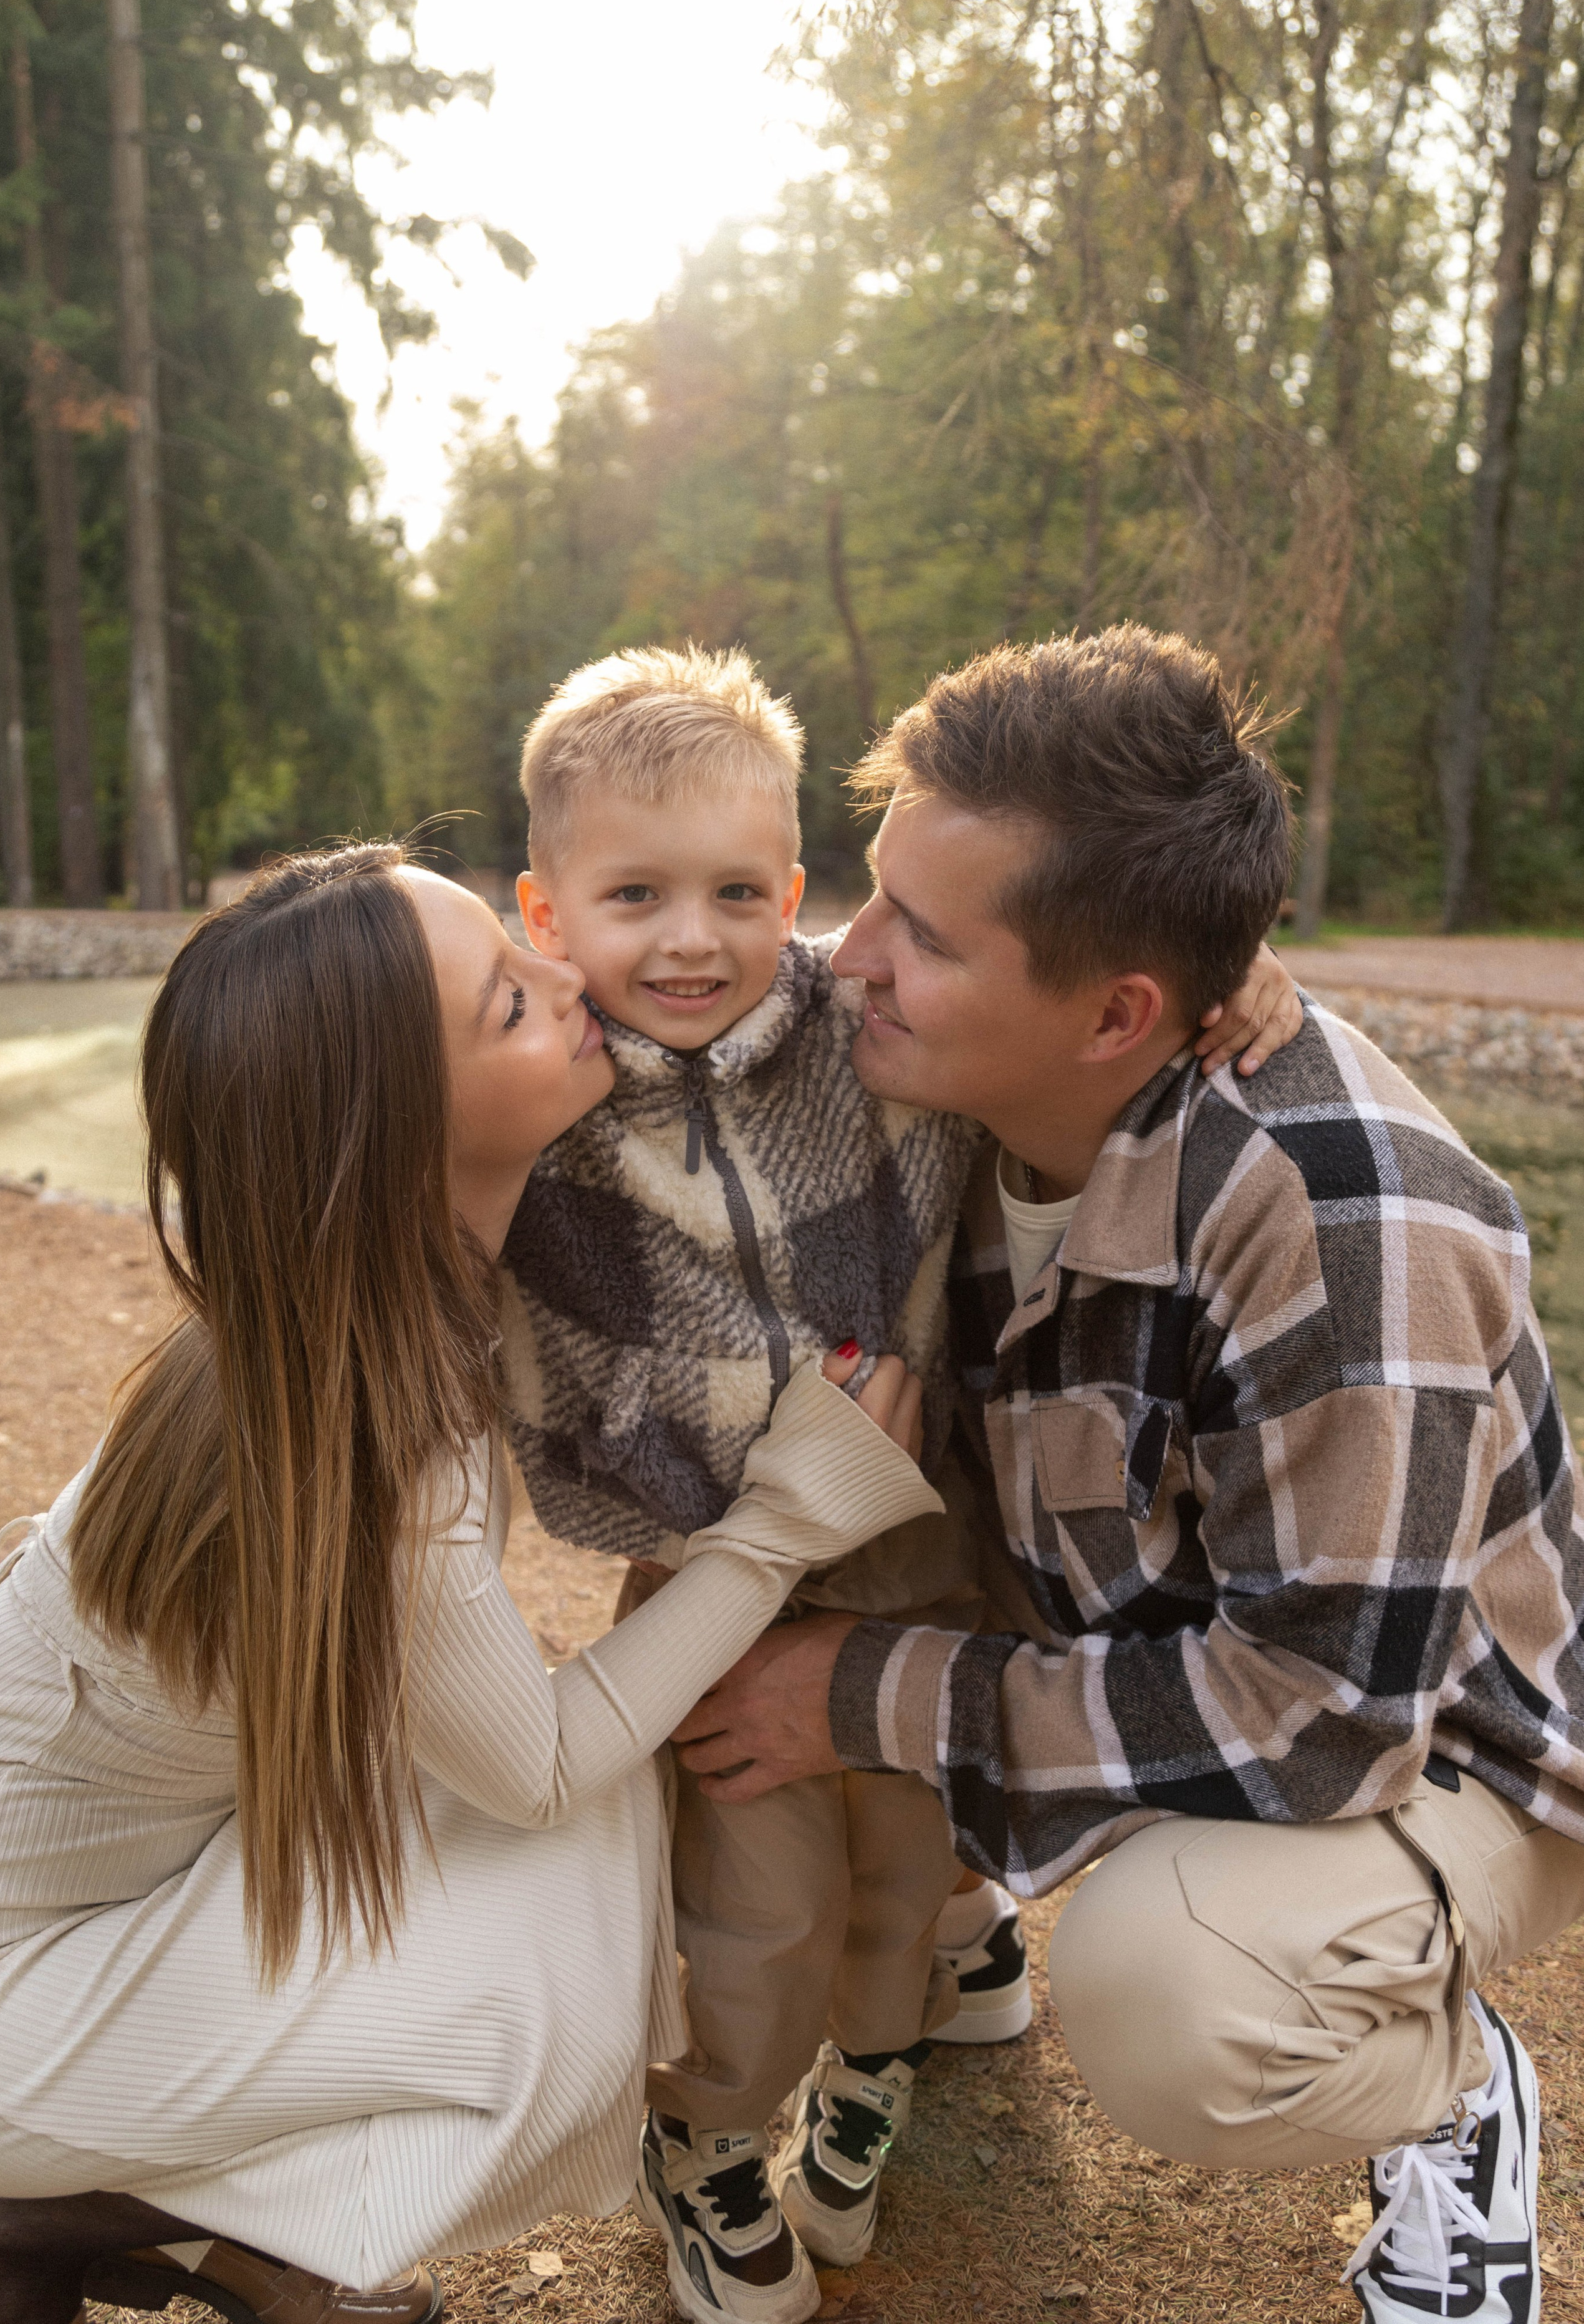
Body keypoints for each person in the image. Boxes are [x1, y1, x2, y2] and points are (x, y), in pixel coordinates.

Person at [670, 629, 1584, 2324]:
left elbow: (1317, 1718)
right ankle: (949, 1927)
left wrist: (864, 1690)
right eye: (870, 897)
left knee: (1177, 1992)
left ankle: (1443, 2092)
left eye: (920, 937)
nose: (841, 961)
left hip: (1437, 1732)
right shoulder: (959, 1066)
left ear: (1118, 1013)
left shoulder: (1347, 1224)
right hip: (1137, 1600)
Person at [0, 845, 943, 2324]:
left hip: (99, 1895)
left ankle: (172, 2205)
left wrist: (1198, 964)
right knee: (562, 1915)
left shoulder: (322, 1316)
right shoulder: (377, 1441)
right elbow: (547, 1768)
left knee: (529, 1817)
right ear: (401, 1130)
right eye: (510, 1000)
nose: (572, 981)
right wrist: (777, 1527)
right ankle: (84, 2205)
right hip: (11, 1999)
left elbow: (748, 978)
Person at [501, 643, 1303, 2321]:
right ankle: (709, 2136)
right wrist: (750, 1461)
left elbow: (1070, 1001)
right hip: (727, 1572)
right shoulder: (552, 1104)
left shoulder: (857, 1030)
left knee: (913, 1854)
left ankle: (892, 2045)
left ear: (794, 892)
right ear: (548, 914)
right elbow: (418, 1140)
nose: (693, 939)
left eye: (739, 892)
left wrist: (1246, 986)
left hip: (934, 1536)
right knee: (757, 1908)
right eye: (633, 896)